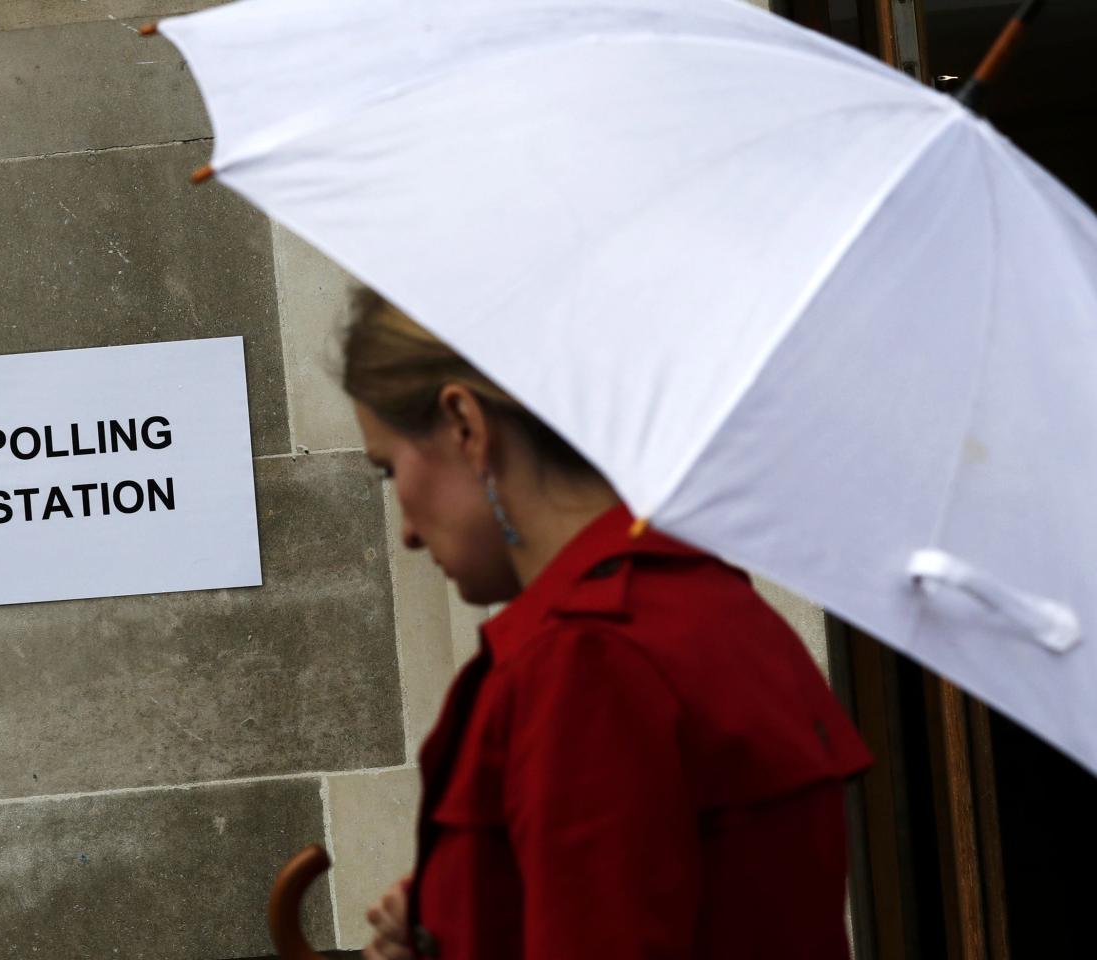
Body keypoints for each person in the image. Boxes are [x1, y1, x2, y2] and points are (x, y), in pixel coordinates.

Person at [345, 292, 872, 959]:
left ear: (466, 426)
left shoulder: (584, 661)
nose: (408, 533)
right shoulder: (713, 607)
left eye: (390, 470)